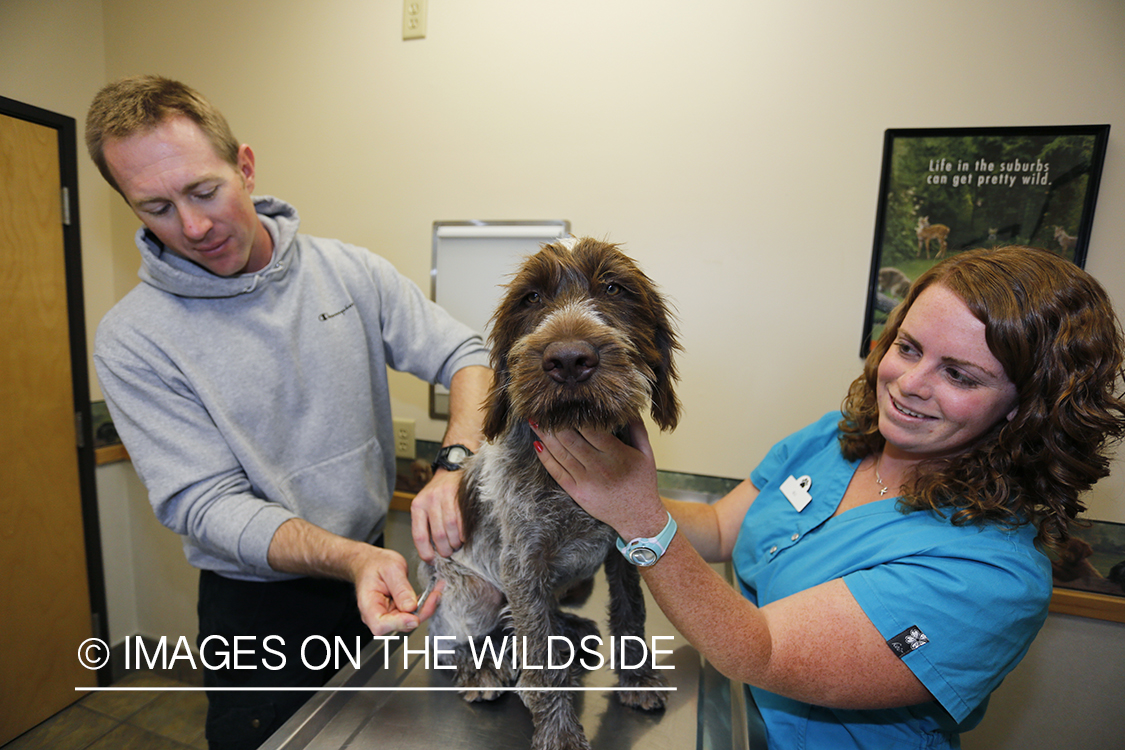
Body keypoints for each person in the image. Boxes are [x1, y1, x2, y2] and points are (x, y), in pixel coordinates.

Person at [531, 245, 1125, 749]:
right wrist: (579, 502)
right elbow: (717, 524)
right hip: (732, 718)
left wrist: (638, 515)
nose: (910, 386)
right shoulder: (840, 438)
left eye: (961, 376)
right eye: (910, 348)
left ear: (1027, 409)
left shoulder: (990, 575)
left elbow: (757, 652)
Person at [86, 75, 490, 749]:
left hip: (373, 571)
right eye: (154, 207)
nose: (191, 226)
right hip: (254, 611)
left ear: (244, 166)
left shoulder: (349, 273)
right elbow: (206, 504)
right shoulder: (134, 338)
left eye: (203, 191)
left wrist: (456, 465)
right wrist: (350, 559)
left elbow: (467, 354)